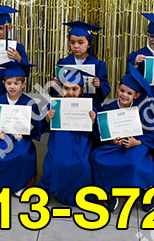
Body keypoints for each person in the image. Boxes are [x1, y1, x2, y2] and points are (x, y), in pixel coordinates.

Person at [91, 69, 154, 212]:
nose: (124, 95)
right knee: (97, 157)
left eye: (129, 93)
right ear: (117, 88)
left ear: (136, 95)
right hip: (114, 146)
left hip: (135, 145)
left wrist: (138, 142)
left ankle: (147, 188)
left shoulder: (143, 110)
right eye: (122, 90)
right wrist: (112, 142)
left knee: (134, 161)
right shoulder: (107, 108)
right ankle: (108, 192)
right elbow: (100, 133)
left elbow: (150, 134)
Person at [0, 60, 40, 195]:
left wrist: (23, 134)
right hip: (1, 136)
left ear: (23, 84)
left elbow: (35, 127)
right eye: (9, 83)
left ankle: (18, 185)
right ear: (3, 83)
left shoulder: (30, 103)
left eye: (16, 83)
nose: (12, 87)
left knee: (22, 154)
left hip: (20, 138)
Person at [39, 66, 97, 206]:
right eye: (66, 88)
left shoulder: (89, 107)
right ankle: (51, 189)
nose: (70, 92)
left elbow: (96, 134)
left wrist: (93, 122)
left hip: (80, 144)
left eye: (74, 89)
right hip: (59, 143)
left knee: (82, 165)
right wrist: (47, 119)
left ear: (81, 89)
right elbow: (43, 127)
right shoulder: (54, 104)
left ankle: (76, 194)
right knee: (56, 162)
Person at [54, 21, 110, 111]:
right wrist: (56, 84)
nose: (76, 46)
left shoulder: (98, 64)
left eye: (81, 42)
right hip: (67, 107)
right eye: (72, 42)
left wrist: (100, 85)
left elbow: (105, 88)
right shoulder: (63, 63)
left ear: (89, 44)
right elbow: (55, 93)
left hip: (90, 107)